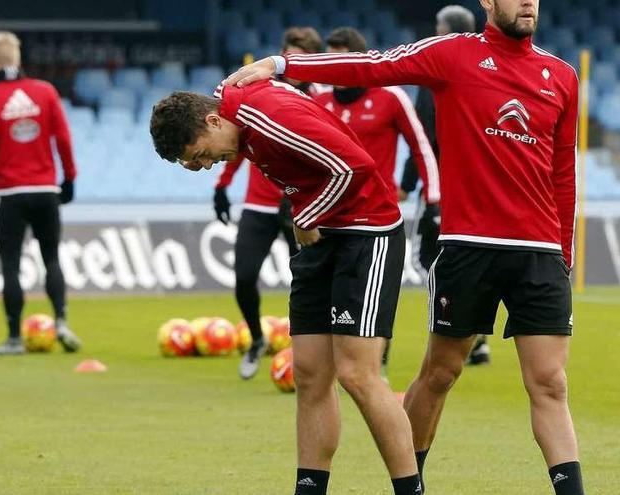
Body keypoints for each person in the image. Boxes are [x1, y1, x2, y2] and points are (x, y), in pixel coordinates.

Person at [221, 0, 585, 493]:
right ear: (487, 2)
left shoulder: (561, 75)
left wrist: (564, 251)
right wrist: (285, 64)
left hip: (539, 253)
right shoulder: (451, 55)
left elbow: (563, 172)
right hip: (467, 247)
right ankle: (410, 480)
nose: (527, 2)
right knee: (440, 374)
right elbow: (374, 64)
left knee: (550, 383)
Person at [149, 83, 422, 495]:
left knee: (357, 375)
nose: (206, 165)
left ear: (212, 120)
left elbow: (354, 167)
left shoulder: (266, 116)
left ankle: (409, 490)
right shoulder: (234, 112)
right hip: (318, 238)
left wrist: (305, 214)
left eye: (201, 154)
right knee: (310, 375)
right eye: (196, 163)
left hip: (366, 233)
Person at [312, 26, 439, 377]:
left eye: (340, 60)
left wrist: (433, 198)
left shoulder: (391, 97)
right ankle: (330, 364)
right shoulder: (319, 101)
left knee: (377, 298)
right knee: (329, 297)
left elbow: (421, 145)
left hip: (378, 220)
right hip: (328, 217)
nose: (333, 69)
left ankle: (376, 362)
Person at [213, 27, 323, 380]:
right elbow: (235, 139)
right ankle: (257, 340)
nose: (294, 65)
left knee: (308, 280)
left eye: (302, 57)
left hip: (300, 207)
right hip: (259, 204)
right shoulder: (261, 92)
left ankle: (311, 351)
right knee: (244, 277)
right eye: (290, 56)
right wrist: (222, 185)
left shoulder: (320, 98)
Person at [0, 31, 81, 356]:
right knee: (51, 257)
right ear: (17, 59)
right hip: (46, 188)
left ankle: (14, 338)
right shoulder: (44, 92)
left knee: (10, 264)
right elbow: (63, 138)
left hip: (9, 192)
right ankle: (60, 320)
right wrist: (69, 178)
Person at [398, 4, 492, 367]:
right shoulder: (488, 72)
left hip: (441, 186)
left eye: (437, 27)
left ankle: (460, 328)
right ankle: (477, 336)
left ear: (447, 31)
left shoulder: (436, 73)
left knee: (427, 260)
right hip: (481, 186)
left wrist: (408, 182)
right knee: (475, 257)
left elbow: (422, 134)